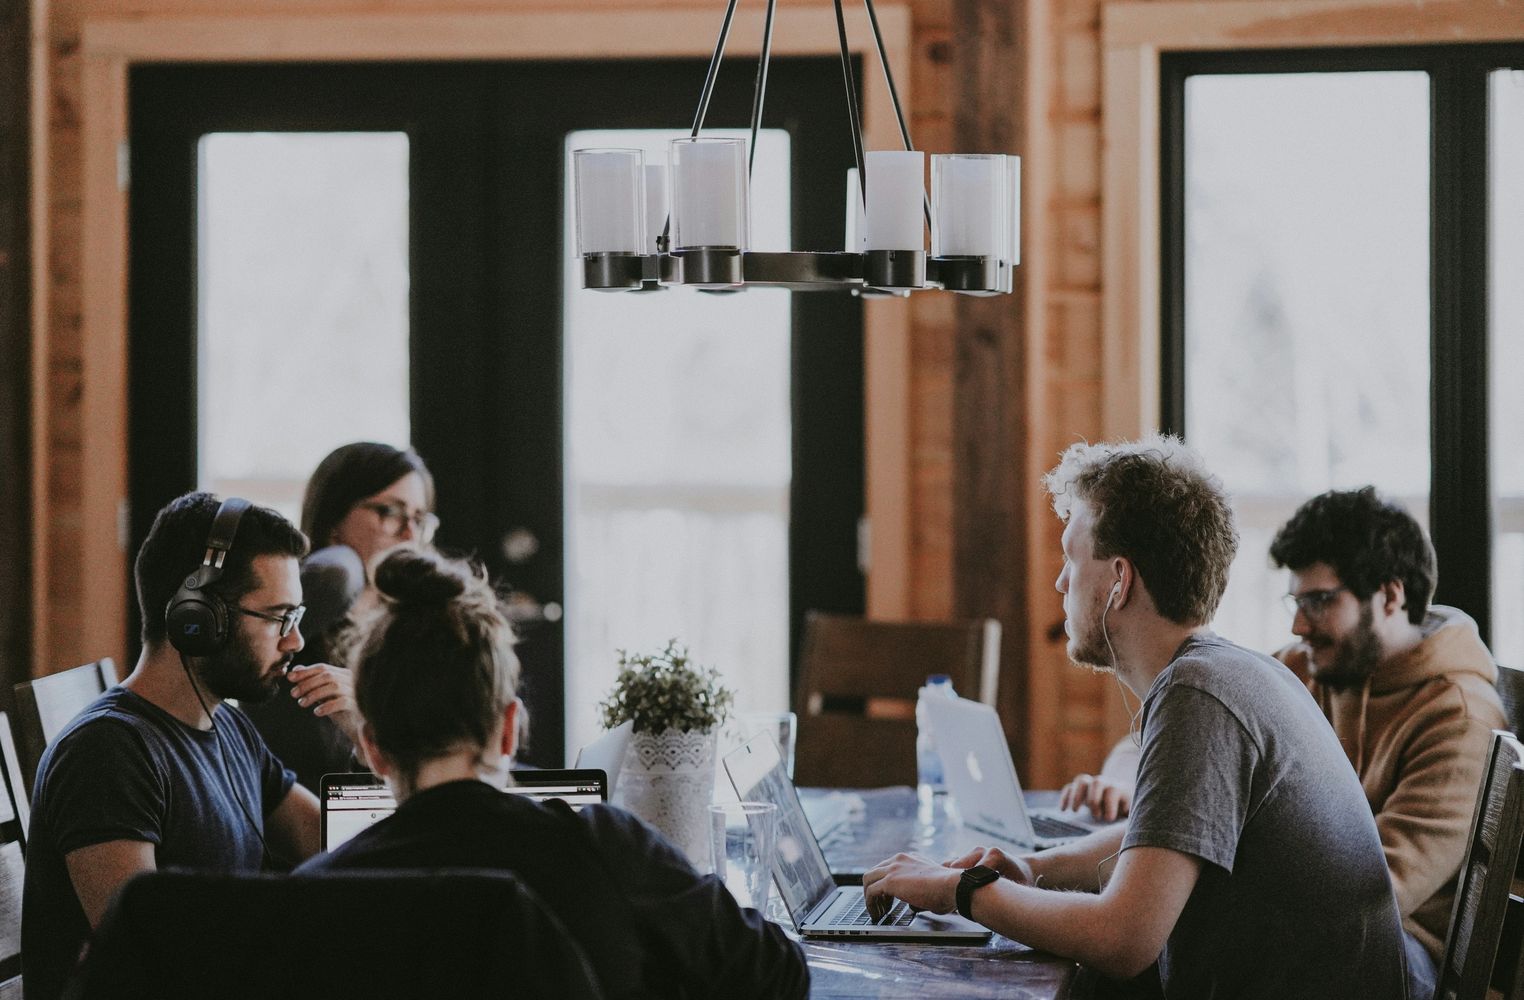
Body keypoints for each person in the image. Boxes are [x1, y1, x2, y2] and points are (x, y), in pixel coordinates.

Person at [862, 436, 1407, 998]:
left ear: (1119, 581)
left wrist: (960, 890)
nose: (1061, 581)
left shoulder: (1199, 694)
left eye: (1072, 558)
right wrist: (1030, 868)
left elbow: (1124, 938)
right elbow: (1163, 836)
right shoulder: (1232, 672)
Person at [295, 546, 809, 1000]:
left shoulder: (315, 895)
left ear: (373, 748)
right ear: (509, 729)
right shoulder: (605, 848)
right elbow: (778, 976)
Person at [1058, 486, 1505, 995]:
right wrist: (1120, 782)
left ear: (1390, 595)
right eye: (1295, 600)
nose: (1298, 624)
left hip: (1399, 957)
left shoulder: (1460, 715)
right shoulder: (1304, 665)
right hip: (1306, 925)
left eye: (1319, 602)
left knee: (1128, 946)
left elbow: (1372, 893)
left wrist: (1160, 877)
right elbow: (1181, 735)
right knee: (1107, 953)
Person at [22, 492, 354, 1000]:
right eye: (280, 617)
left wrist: (365, 729)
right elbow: (144, 963)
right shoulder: (108, 752)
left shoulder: (230, 729)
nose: (296, 642)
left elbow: (349, 852)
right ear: (197, 618)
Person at [244, 442, 436, 793]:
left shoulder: (418, 621)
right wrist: (344, 560)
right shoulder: (311, 603)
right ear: (334, 519)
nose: (410, 534)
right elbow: (332, 574)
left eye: (420, 519)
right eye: (390, 512)